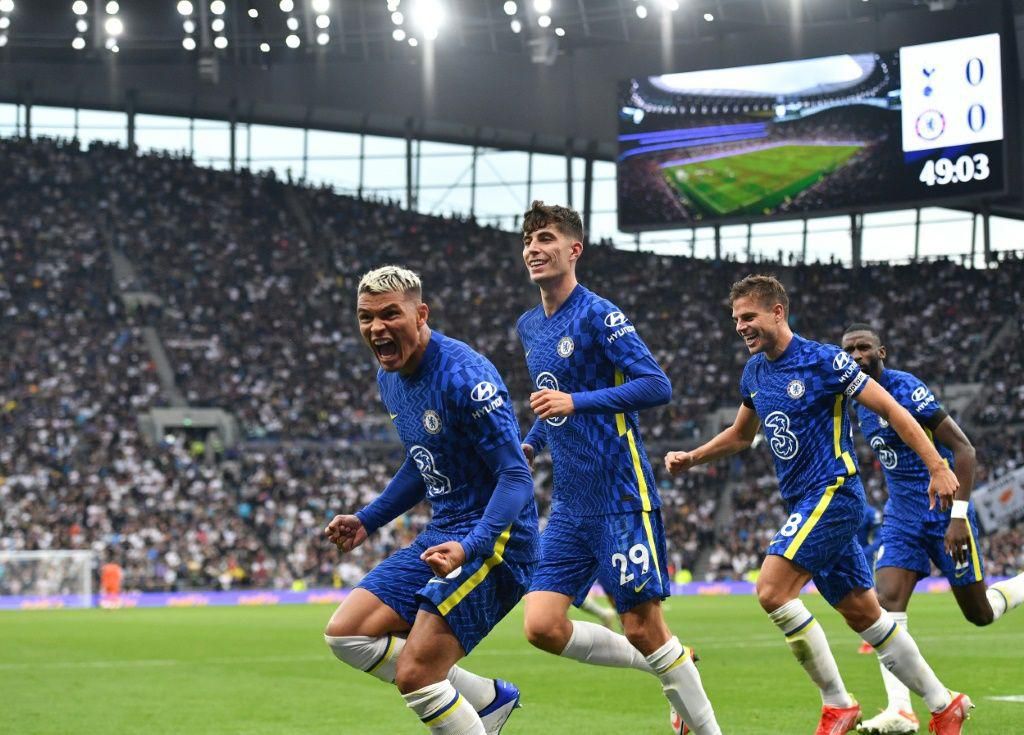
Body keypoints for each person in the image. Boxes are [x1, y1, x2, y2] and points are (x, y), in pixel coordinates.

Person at [664, 275, 971, 735]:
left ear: (777, 312)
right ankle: (945, 703)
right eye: (736, 320)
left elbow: (892, 409)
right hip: (804, 501)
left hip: (834, 493)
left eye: (749, 317)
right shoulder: (754, 373)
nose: (741, 327)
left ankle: (838, 703)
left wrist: (937, 466)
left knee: (771, 590)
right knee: (865, 614)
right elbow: (741, 435)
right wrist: (693, 457)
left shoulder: (824, 360)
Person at [516, 201, 721, 735]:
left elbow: (657, 385)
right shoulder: (528, 325)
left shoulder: (599, 313)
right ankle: (673, 665)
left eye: (545, 238)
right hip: (569, 503)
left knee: (642, 625)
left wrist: (576, 402)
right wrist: (531, 443)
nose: (534, 249)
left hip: (620, 493)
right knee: (541, 626)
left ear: (573, 249)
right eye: (528, 241)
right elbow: (546, 400)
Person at [323, 265, 540, 735]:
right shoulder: (392, 377)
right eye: (365, 318)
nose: (376, 328)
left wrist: (472, 545)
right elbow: (424, 462)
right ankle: (487, 699)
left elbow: (516, 476)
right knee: (347, 634)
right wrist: (367, 519)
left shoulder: (466, 377)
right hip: (446, 531)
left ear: (421, 314)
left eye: (389, 314)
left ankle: (481, 705)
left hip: (498, 539)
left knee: (417, 675)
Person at [841, 323, 1024, 734]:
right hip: (903, 514)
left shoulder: (908, 391)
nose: (856, 356)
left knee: (979, 613)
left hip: (946, 512)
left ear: (881, 352)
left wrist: (958, 517)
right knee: (886, 603)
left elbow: (965, 449)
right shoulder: (858, 402)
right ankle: (900, 711)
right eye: (849, 350)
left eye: (863, 348)